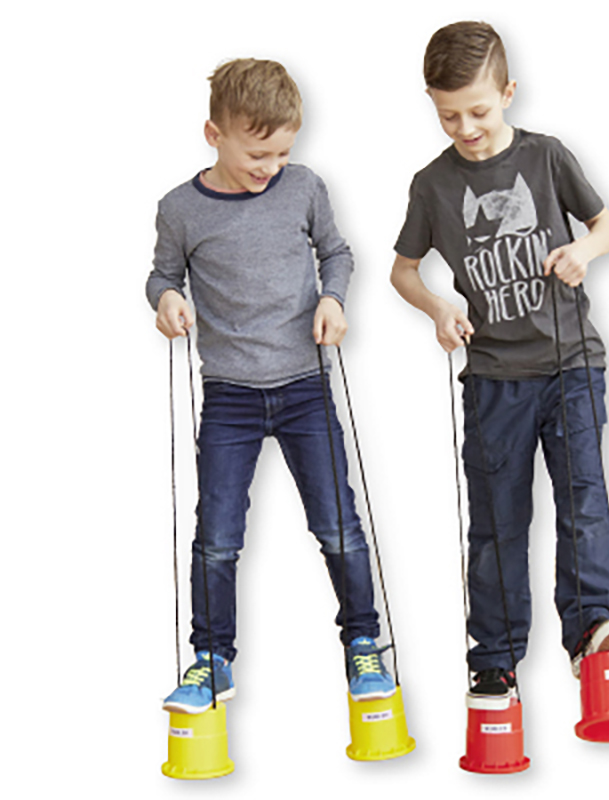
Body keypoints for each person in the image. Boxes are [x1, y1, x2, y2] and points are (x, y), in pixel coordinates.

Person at [390, 22, 609, 696]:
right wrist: (438, 307)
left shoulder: (548, 157)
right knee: (498, 520)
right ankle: (495, 654)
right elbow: (403, 271)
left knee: (583, 499)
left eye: (478, 111)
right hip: (494, 381)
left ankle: (592, 627)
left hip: (570, 365)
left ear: (508, 93)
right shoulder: (432, 186)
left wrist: (583, 251)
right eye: (448, 115)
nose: (465, 128)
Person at [147, 58, 393, 713]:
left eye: (283, 152)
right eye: (258, 154)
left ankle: (363, 643)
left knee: (338, 525)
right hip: (229, 396)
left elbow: (337, 252)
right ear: (214, 135)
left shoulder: (304, 187)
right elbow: (161, 275)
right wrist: (166, 298)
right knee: (217, 535)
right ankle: (211, 659)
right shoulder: (179, 209)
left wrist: (334, 299)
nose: (271, 166)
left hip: (305, 388)